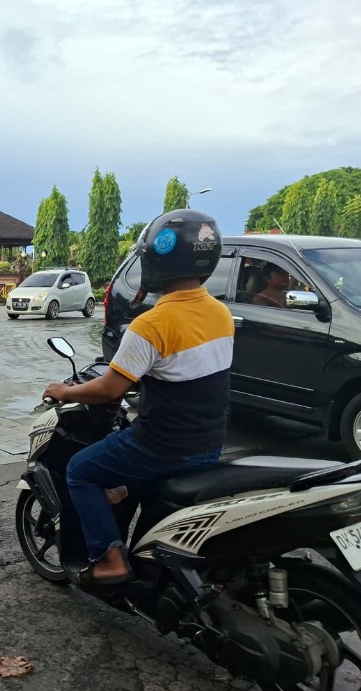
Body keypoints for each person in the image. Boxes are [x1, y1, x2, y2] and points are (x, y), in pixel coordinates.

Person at [42, 209, 234, 585]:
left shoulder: (151, 324)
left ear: (152, 259)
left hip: (162, 445)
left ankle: (109, 558)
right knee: (124, 475)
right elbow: (185, 371)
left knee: (80, 470)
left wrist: (66, 391)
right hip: (209, 444)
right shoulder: (220, 313)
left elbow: (108, 388)